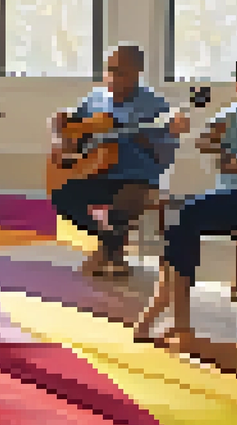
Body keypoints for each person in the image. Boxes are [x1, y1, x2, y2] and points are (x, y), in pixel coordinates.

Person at [133, 56, 237, 346]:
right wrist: (221, 147)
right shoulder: (234, 113)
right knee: (180, 220)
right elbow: (202, 141)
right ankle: (173, 315)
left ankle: (169, 313)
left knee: (185, 217)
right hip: (228, 196)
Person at [50, 45, 192, 277]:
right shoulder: (95, 98)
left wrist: (156, 135)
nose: (112, 78)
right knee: (62, 194)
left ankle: (107, 252)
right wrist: (60, 141)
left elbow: (166, 151)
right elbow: (67, 125)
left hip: (138, 178)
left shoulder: (155, 105)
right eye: (109, 70)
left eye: (120, 72)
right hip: (98, 173)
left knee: (124, 205)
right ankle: (109, 243)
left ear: (137, 72)